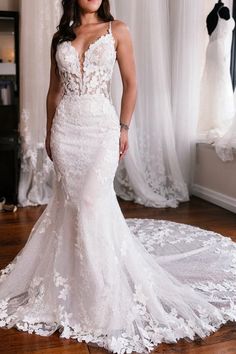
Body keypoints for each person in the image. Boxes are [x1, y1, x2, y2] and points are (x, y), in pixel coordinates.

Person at [0, 1, 236, 353]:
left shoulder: (117, 31)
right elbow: (54, 92)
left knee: (92, 202)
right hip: (66, 131)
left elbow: (131, 84)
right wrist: (50, 133)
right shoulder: (60, 37)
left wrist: (123, 128)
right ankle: (71, 281)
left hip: (101, 129)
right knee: (73, 206)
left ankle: (100, 291)